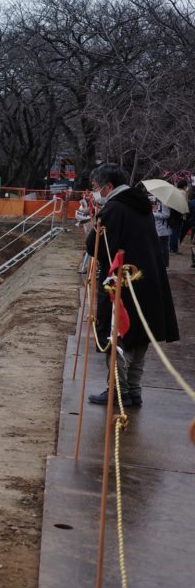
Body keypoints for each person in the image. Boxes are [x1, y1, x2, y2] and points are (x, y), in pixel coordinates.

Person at [85, 164, 179, 406]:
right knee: (139, 338)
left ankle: (118, 390)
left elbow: (96, 245)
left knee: (117, 337)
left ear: (108, 187)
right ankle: (133, 390)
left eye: (96, 188)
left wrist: (93, 224)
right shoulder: (141, 206)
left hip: (123, 283)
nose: (95, 192)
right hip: (148, 281)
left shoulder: (115, 208)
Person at [150, 195, 172, 269]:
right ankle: (161, 264)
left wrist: (153, 213)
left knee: (163, 248)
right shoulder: (158, 202)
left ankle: (165, 265)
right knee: (160, 247)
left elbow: (166, 215)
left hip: (163, 230)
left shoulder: (164, 203)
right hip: (158, 228)